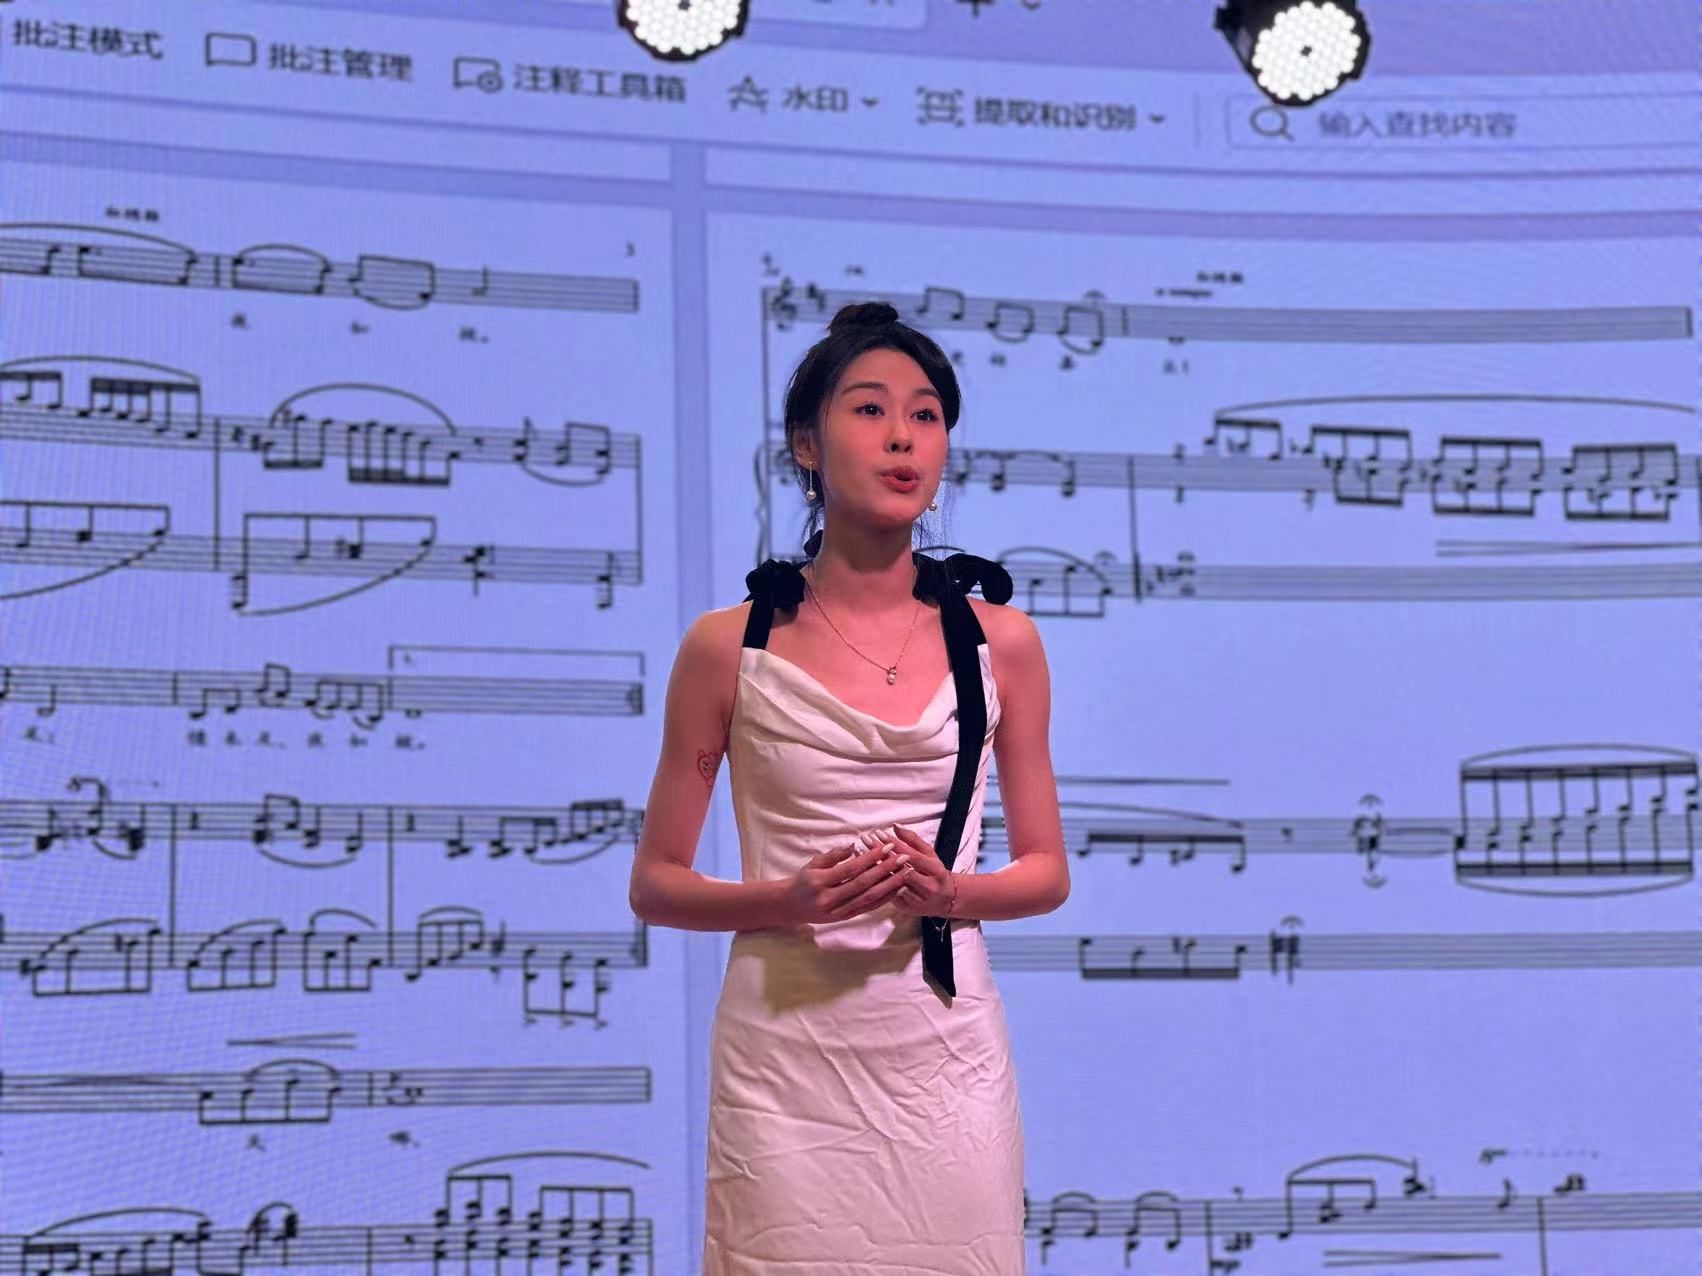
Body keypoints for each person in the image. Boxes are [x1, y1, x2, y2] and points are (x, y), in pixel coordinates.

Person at [629, 300, 1069, 1275]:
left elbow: (1046, 871)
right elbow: (656, 883)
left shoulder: (1002, 643)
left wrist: (952, 891)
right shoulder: (727, 646)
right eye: (869, 409)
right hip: (785, 1058)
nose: (903, 436)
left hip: (943, 1050)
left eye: (926, 414)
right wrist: (786, 900)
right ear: (805, 444)